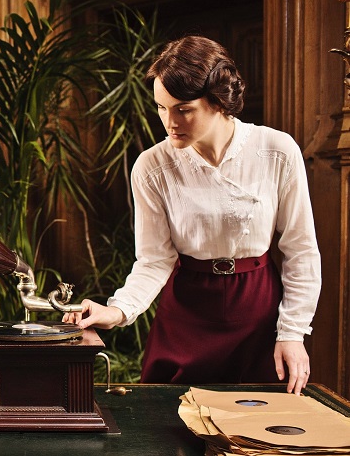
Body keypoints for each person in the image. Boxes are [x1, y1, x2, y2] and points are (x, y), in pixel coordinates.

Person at [63, 35, 320, 395]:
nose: (169, 122)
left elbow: (301, 250)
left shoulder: (276, 151)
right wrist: (116, 310)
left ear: (218, 101)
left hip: (258, 310)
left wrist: (292, 332)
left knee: (262, 421)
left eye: (183, 109)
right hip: (186, 315)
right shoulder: (152, 166)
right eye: (161, 108)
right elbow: (154, 260)